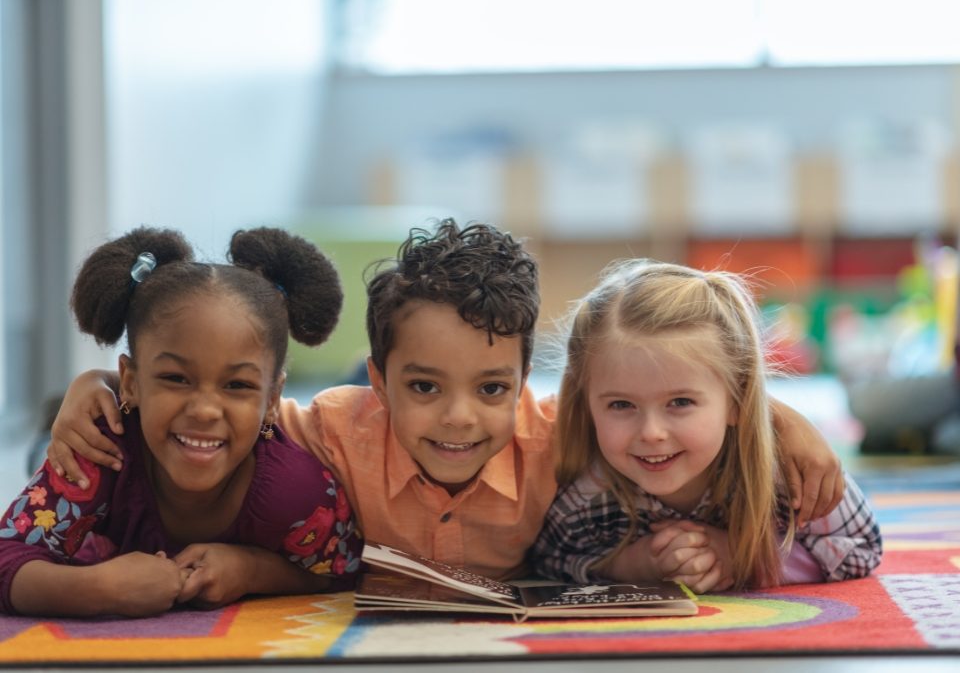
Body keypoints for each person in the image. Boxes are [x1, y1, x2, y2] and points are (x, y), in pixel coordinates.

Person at [46, 221, 843, 581]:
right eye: (423, 387)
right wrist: (89, 387)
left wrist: (777, 415)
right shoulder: (331, 429)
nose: (459, 417)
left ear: (527, 382)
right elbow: (221, 409)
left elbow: (662, 396)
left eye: (492, 388)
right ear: (378, 380)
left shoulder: (561, 438)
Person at [0, 227, 362, 617]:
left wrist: (252, 571)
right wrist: (93, 588)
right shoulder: (99, 449)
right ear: (131, 382)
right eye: (176, 378)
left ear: (272, 400)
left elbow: (343, 568)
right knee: (53, 449)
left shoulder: (296, 490)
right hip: (99, 461)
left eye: (237, 384)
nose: (205, 410)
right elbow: (10, 553)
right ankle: (51, 427)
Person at [531, 260, 882, 593]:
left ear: (736, 400)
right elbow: (548, 559)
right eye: (621, 405)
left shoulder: (788, 472)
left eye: (680, 403)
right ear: (586, 404)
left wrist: (749, 559)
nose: (652, 432)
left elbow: (861, 547)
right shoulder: (589, 491)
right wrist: (629, 566)